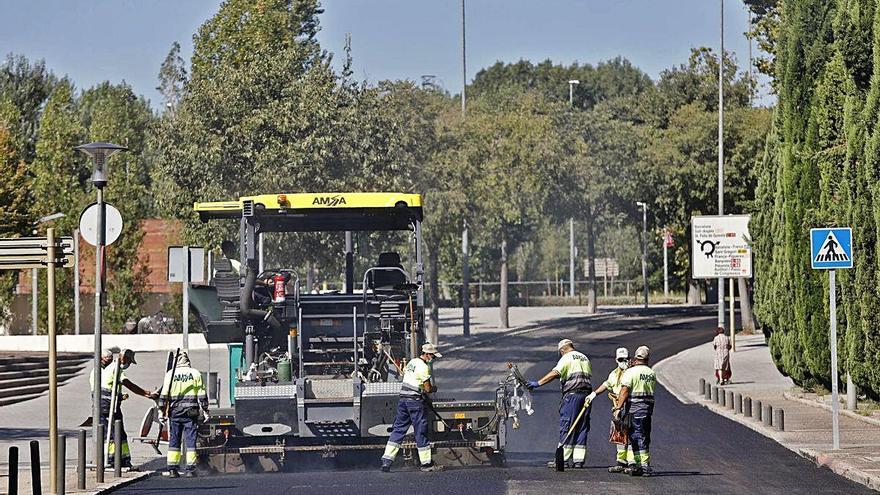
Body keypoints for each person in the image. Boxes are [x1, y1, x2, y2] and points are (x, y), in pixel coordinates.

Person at [527, 338, 593, 469]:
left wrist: (538, 383)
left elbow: (555, 373)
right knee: (581, 426)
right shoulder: (584, 358)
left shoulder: (566, 358)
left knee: (567, 425)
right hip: (586, 396)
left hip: (572, 396)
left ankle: (562, 459)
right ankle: (578, 460)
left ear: (562, 350)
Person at [381, 343, 445, 473]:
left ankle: (386, 461)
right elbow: (427, 388)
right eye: (433, 356)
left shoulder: (412, 362)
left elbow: (409, 377)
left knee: (398, 430)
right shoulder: (423, 367)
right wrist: (434, 388)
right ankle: (426, 464)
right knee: (420, 432)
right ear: (427, 355)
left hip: (403, 401)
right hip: (415, 402)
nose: (433, 359)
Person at [89, 348, 156, 469]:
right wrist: (147, 393)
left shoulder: (102, 370)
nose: (129, 364)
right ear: (123, 358)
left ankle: (122, 459)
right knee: (113, 435)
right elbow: (128, 384)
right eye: (129, 362)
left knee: (117, 434)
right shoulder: (116, 368)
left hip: (102, 406)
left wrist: (119, 396)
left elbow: (107, 387)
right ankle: (112, 461)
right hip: (108, 407)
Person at [157, 351, 209, 478]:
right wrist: (206, 410)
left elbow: (164, 395)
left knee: (174, 440)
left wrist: (161, 410)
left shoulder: (170, 374)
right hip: (191, 412)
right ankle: (190, 470)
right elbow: (202, 394)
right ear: (188, 361)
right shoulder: (195, 373)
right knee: (191, 440)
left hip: (174, 412)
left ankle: (172, 469)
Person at [588, 347, 634, 473]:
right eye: (621, 359)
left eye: (626, 359)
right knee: (619, 434)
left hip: (630, 405)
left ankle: (632, 463)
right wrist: (594, 394)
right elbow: (607, 384)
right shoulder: (614, 374)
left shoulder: (633, 372)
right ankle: (621, 462)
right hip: (618, 406)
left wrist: (620, 406)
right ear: (616, 360)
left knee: (630, 434)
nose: (624, 362)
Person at [615, 345, 656, 477]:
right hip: (647, 410)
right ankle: (642, 465)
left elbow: (625, 391)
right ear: (647, 358)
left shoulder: (630, 372)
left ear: (635, 357)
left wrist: (618, 408)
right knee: (644, 436)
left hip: (635, 409)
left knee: (636, 436)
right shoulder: (651, 373)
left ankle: (642, 466)